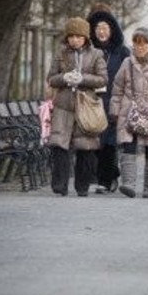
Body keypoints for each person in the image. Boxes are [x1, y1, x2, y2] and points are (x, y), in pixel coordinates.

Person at [109, 27, 148, 198]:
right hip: (129, 111)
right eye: (137, 43)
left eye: (144, 43)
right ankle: (128, 184)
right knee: (128, 146)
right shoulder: (127, 63)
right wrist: (114, 111)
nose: (140, 46)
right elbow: (117, 89)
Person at [47, 17, 108, 196]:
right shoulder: (60, 54)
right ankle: (60, 186)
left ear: (85, 37)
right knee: (59, 145)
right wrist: (64, 77)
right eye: (71, 36)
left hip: (86, 105)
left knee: (86, 147)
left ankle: (82, 187)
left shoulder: (96, 54)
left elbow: (103, 79)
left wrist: (83, 79)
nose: (75, 40)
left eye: (79, 36)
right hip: (63, 105)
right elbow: (50, 78)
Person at [87, 8, 130, 194]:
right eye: (97, 28)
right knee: (96, 143)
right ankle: (112, 174)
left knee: (110, 143)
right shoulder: (88, 51)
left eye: (105, 27)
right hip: (92, 102)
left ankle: (105, 181)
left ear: (112, 29)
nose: (101, 31)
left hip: (114, 102)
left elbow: (129, 77)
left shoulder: (121, 52)